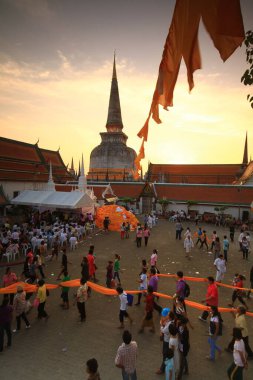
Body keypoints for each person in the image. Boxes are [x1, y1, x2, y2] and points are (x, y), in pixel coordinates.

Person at [156, 308, 175, 375]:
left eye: (168, 315)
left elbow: (163, 330)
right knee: (165, 353)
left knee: (165, 354)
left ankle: (162, 369)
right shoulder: (172, 321)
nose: (167, 316)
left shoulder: (169, 324)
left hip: (167, 341)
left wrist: (161, 325)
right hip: (169, 340)